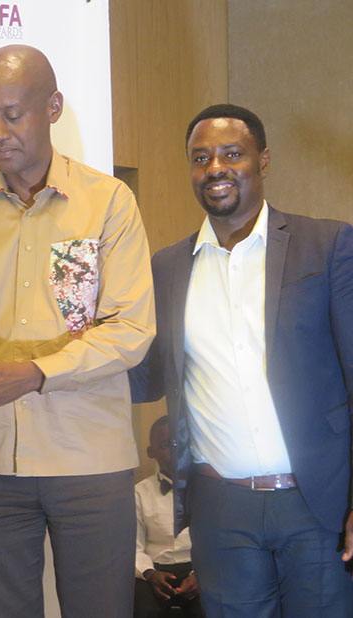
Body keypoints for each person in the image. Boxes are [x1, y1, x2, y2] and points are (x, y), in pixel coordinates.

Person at [0, 45, 156, 617]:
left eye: (12, 114)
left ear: (52, 107)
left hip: (89, 461)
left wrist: (33, 374)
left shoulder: (109, 203)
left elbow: (131, 328)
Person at [129, 103, 353, 617]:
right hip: (221, 508)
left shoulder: (326, 245)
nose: (215, 169)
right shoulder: (167, 268)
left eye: (232, 154)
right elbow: (146, 380)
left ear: (263, 161)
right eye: (200, 158)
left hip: (316, 501)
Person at [135, 416, 204, 618]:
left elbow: (216, 540)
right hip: (154, 572)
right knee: (143, 611)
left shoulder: (206, 490)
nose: (175, 451)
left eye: (180, 443)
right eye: (166, 445)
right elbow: (132, 545)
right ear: (151, 452)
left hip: (198, 569)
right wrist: (150, 574)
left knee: (210, 607)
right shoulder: (139, 493)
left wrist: (200, 574)